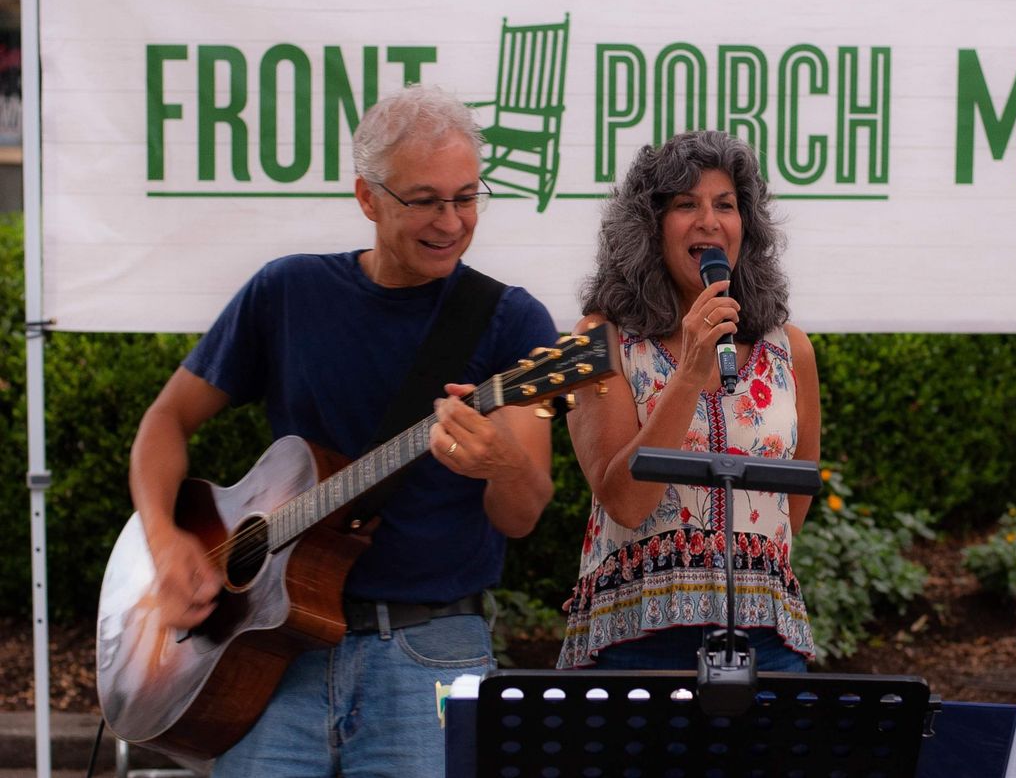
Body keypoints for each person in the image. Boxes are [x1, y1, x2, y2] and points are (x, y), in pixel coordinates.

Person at [128, 85, 558, 775]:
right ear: (367, 196)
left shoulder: (512, 321)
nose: (451, 221)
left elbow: (521, 515)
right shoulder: (287, 292)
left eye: (467, 196)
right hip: (266, 656)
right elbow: (164, 422)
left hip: (430, 655)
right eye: (425, 200)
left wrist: (500, 465)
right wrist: (165, 539)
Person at [557, 130, 821, 671]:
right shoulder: (601, 340)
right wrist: (692, 367)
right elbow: (625, 502)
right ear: (650, 228)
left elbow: (792, 510)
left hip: (765, 637)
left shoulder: (788, 348)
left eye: (725, 205)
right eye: (686, 205)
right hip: (638, 637)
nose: (709, 221)